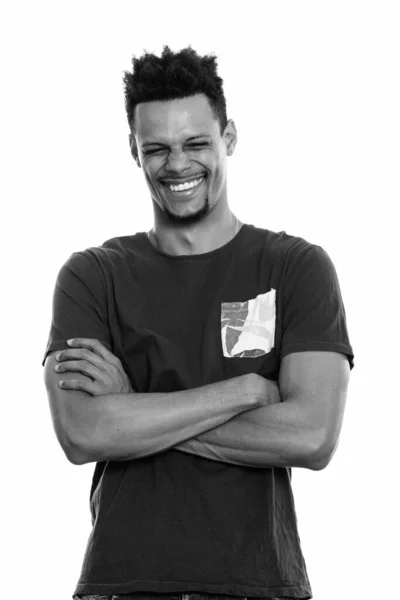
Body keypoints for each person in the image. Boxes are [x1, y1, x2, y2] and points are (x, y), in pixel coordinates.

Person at [42, 46, 354, 600]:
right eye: (157, 148)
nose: (178, 165)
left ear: (229, 137)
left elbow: (312, 436)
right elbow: (82, 432)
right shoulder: (92, 276)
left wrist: (134, 404)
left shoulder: (296, 267)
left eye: (196, 143)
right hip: (123, 585)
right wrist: (245, 392)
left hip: (261, 585)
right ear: (134, 152)